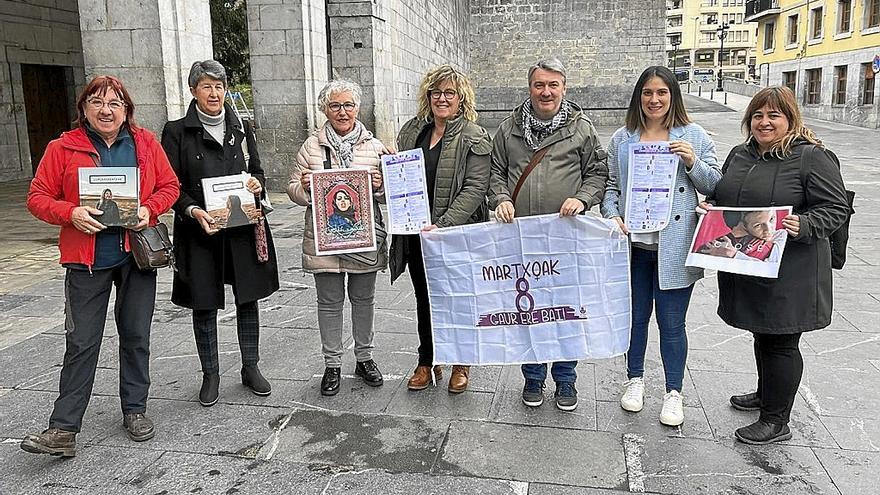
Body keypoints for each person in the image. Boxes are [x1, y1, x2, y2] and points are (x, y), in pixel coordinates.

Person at [22, 75, 179, 456]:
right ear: (84, 109)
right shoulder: (62, 148)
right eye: (97, 102)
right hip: (86, 261)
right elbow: (37, 197)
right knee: (80, 342)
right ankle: (63, 429)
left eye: (114, 103)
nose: (106, 110)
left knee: (136, 335)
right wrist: (70, 212)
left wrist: (149, 208)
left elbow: (170, 187)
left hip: (136, 257)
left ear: (126, 111)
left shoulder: (145, 144)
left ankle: (135, 409)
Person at [709, 86, 849, 444]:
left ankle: (776, 419)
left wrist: (805, 225)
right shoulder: (740, 154)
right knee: (763, 332)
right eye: (758, 115)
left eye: (774, 115)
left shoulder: (811, 157)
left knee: (782, 341)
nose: (764, 122)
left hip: (793, 270)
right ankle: (765, 392)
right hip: (753, 264)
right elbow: (725, 194)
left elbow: (835, 209)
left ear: (790, 119)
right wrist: (711, 208)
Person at [601, 65, 720, 426]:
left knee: (672, 324)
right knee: (635, 320)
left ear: (673, 96)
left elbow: (716, 184)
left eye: (662, 93)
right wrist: (610, 214)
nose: (654, 100)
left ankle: (673, 392)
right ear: (639, 97)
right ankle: (634, 380)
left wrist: (692, 162)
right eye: (648, 93)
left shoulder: (694, 135)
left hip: (674, 244)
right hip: (634, 246)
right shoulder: (623, 138)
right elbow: (611, 187)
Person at [489, 58, 608, 411]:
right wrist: (500, 198)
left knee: (565, 310)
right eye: (540, 85)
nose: (546, 92)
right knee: (528, 309)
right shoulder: (509, 129)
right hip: (521, 239)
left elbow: (598, 173)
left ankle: (566, 380)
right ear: (530, 88)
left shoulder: (581, 128)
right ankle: (533, 377)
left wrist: (583, 199)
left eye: (553, 85)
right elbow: (495, 171)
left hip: (565, 239)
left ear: (564, 88)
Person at [161, 60, 279, 407]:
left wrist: (257, 184)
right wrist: (193, 210)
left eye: (219, 86)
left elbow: (256, 170)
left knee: (248, 296)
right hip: (200, 231)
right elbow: (170, 185)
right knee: (204, 302)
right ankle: (210, 373)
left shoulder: (241, 127)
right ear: (193, 90)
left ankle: (250, 367)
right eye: (207, 86)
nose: (214, 93)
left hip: (241, 228)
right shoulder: (177, 131)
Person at [390, 65, 491, 394]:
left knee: (459, 299)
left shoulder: (474, 136)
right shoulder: (411, 132)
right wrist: (388, 166)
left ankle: (461, 361)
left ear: (461, 99)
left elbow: (476, 188)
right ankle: (427, 359)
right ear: (428, 96)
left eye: (450, 93)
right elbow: (400, 178)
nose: (442, 98)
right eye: (437, 93)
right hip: (417, 233)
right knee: (424, 299)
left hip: (454, 236)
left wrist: (443, 224)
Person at [289, 79, 388, 396]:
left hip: (363, 238)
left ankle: (365, 358)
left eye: (348, 105)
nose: (342, 112)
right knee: (329, 303)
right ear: (325, 109)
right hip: (324, 240)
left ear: (358, 108)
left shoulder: (375, 147)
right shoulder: (311, 147)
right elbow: (291, 189)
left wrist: (380, 185)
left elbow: (391, 194)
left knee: (364, 300)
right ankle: (332, 364)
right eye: (335, 105)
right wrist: (304, 188)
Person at [698, 209, 781, 261]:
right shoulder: (719, 244)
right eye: (758, 225)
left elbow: (770, 267)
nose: (769, 229)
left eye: (772, 219)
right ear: (744, 226)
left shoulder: (781, 235)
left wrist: (734, 255)